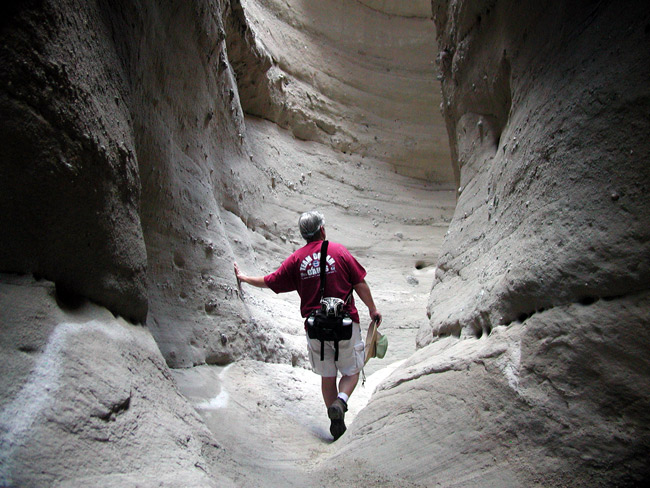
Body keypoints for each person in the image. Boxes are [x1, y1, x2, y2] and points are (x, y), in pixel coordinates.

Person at [234, 210, 382, 441]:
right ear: (322, 229)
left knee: (327, 376)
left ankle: (335, 419)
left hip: (316, 329)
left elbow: (271, 281)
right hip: (345, 324)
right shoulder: (339, 251)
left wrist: (244, 278)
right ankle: (341, 403)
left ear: (304, 235)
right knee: (352, 371)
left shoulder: (297, 260)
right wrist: (372, 309)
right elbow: (359, 282)